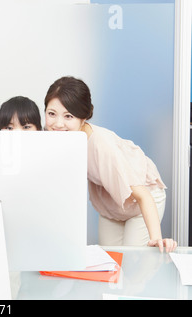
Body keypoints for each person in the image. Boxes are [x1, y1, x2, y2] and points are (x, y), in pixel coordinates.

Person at [44, 76, 177, 253]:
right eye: (51, 113)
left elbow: (144, 196)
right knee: (111, 263)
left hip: (142, 202)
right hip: (111, 204)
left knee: (133, 267)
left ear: (84, 118)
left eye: (69, 116)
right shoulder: (59, 138)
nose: (58, 124)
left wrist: (156, 239)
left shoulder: (101, 146)